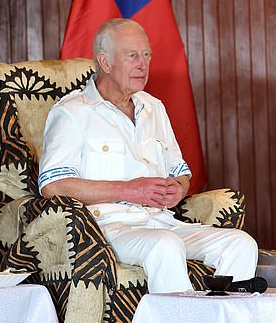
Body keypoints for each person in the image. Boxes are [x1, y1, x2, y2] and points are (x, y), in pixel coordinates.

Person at [38, 18, 258, 293]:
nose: (143, 64)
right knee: (165, 244)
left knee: (241, 244)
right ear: (105, 63)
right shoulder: (72, 112)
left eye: (146, 55)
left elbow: (181, 173)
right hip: (108, 228)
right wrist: (130, 191)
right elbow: (53, 186)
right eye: (132, 56)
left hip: (162, 221)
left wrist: (177, 189)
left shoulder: (154, 107)